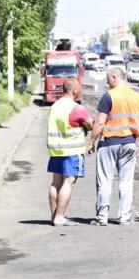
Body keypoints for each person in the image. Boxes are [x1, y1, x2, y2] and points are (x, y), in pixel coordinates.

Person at [87, 67, 139, 226]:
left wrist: (91, 142)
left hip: (108, 143)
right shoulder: (137, 97)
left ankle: (102, 217)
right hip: (129, 143)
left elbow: (100, 123)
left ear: (115, 77)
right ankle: (124, 217)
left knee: (105, 180)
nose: (107, 82)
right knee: (126, 182)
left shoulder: (109, 96)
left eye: (108, 79)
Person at [47, 78, 93, 227]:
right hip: (72, 150)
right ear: (74, 90)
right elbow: (91, 125)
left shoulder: (55, 106)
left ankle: (54, 216)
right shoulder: (77, 108)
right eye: (79, 89)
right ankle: (60, 217)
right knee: (69, 182)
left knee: (56, 183)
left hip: (56, 149)